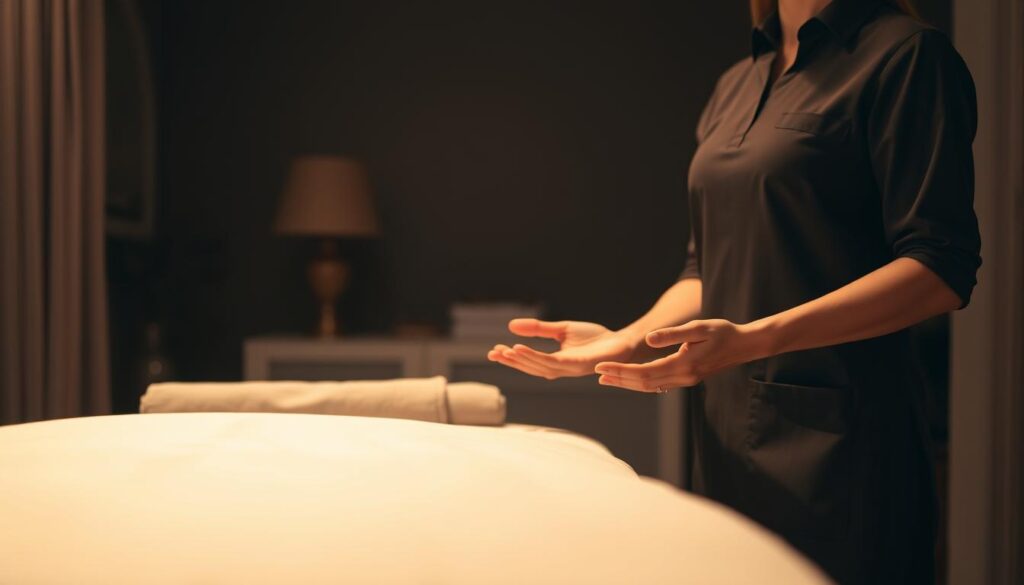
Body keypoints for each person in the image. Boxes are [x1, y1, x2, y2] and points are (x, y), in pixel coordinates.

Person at [487, 0, 981, 583]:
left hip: (846, 449)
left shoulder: (906, 57)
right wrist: (626, 340)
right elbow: (705, 269)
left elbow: (937, 269)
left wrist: (751, 340)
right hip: (725, 439)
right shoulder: (737, 82)